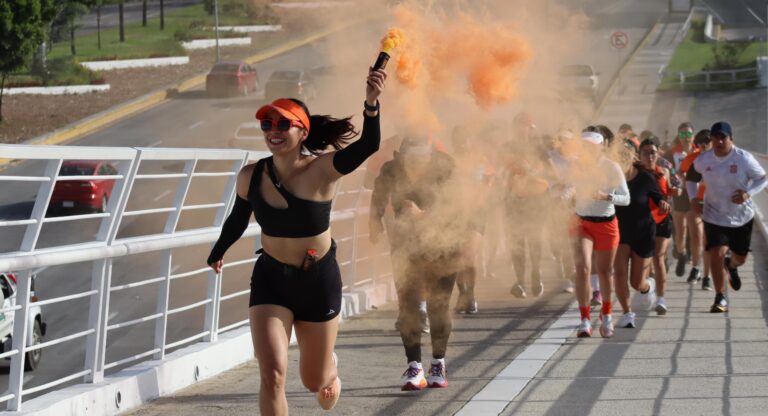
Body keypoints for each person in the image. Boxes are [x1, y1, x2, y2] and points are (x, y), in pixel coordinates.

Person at [206, 68, 386, 414]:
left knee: (313, 382)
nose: (273, 131)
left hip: (318, 281)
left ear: (302, 131)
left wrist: (371, 103)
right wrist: (218, 250)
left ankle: (329, 370)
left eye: (282, 124)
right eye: (267, 125)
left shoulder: (322, 170)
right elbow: (237, 218)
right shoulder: (251, 175)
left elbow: (369, 145)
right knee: (272, 375)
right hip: (272, 280)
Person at [370, 133, 462, 391]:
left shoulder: (445, 167)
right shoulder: (391, 169)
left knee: (438, 305)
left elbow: (459, 205)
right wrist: (374, 220)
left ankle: (438, 363)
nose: (416, 165)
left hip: (445, 243)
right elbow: (378, 196)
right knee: (408, 306)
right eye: (411, 159)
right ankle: (414, 366)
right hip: (406, 244)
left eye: (422, 159)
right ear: (401, 157)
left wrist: (425, 215)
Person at [685, 121, 767, 313]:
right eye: (716, 138)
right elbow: (691, 177)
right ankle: (720, 296)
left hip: (741, 216)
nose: (719, 141)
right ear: (711, 140)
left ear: (731, 139)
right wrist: (693, 198)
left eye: (723, 138)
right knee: (716, 252)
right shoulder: (704, 159)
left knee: (740, 257)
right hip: (714, 214)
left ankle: (732, 266)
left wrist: (748, 193)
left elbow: (763, 178)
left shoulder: (744, 159)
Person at [569, 130, 630, 338]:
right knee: (583, 267)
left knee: (604, 272)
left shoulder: (611, 167)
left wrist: (605, 196)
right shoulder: (576, 164)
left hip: (606, 224)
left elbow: (625, 198)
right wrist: (562, 195)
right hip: (581, 222)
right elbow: (569, 187)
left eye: (591, 147)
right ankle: (585, 320)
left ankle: (606, 316)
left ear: (601, 147)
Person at [504, 112, 552, 298]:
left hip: (536, 199)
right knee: (516, 240)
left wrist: (532, 170)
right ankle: (520, 281)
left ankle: (536, 272)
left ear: (531, 129)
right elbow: (500, 171)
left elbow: (552, 172)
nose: (522, 129)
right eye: (518, 125)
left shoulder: (539, 148)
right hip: (514, 199)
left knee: (534, 238)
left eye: (526, 126)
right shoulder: (507, 147)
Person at [450, 124, 496, 313]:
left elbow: (490, 179)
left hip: (476, 212)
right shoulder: (449, 161)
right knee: (458, 256)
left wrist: (481, 196)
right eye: (458, 139)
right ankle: (463, 293)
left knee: (469, 255)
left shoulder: (480, 160)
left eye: (465, 139)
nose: (462, 143)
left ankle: (471, 295)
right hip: (455, 213)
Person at [638, 139, 673, 315]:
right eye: (645, 152)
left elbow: (673, 188)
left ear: (658, 153)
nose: (650, 156)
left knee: (658, 258)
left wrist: (675, 191)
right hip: (643, 221)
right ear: (640, 155)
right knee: (647, 260)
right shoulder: (635, 173)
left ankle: (661, 299)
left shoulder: (665, 170)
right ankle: (647, 286)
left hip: (663, 220)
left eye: (653, 152)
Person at [679, 129, 713, 290]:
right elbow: (680, 172)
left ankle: (706, 276)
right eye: (700, 143)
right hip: (696, 202)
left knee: (708, 240)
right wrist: (688, 183)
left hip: (715, 204)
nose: (704, 145)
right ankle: (695, 267)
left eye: (707, 141)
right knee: (696, 236)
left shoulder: (720, 158)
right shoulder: (692, 159)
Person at [670, 122, 696, 277]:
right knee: (681, 230)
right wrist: (677, 176)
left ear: (693, 135)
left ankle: (695, 265)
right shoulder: (673, 153)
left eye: (688, 134)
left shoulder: (700, 152)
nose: (686, 138)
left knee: (696, 230)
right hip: (680, 193)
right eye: (682, 134)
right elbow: (666, 168)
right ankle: (681, 254)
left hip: (697, 195)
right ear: (678, 136)